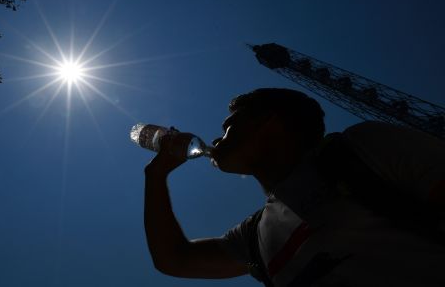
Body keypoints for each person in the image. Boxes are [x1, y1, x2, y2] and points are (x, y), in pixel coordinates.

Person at [143, 88, 445, 287]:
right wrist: (156, 176)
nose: (218, 138)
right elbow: (173, 259)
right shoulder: (254, 235)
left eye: (228, 126)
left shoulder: (362, 149)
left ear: (269, 123)